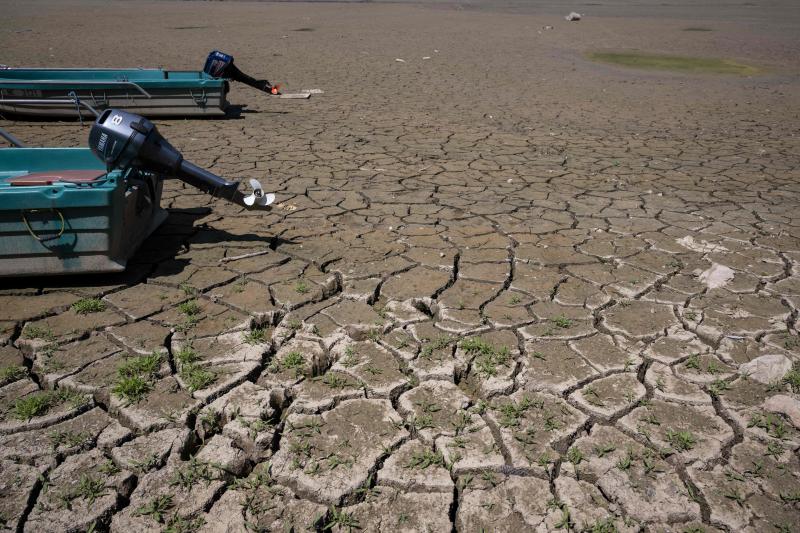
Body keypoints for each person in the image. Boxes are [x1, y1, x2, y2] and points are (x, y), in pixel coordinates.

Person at [203, 50, 280, 94]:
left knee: (246, 79)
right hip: (228, 66)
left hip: (228, 67)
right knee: (245, 78)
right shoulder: (213, 57)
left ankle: (267, 87)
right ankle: (266, 87)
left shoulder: (211, 61)